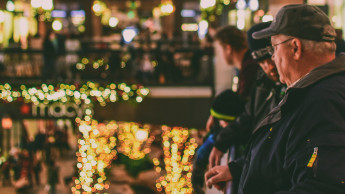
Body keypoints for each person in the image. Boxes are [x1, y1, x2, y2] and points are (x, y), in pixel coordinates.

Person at [205, 4, 345, 193]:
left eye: (274, 48)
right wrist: (239, 169)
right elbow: (286, 155)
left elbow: (323, 185)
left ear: (295, 48)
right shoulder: (311, 92)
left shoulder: (322, 102)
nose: (273, 57)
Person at [207, 22, 285, 193]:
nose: (269, 67)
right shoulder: (261, 80)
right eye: (262, 63)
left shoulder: (282, 86)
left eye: (270, 58)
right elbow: (250, 116)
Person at [192, 89, 245, 193]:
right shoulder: (217, 133)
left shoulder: (223, 133)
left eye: (224, 121)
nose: (222, 124)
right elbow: (202, 154)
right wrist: (197, 181)